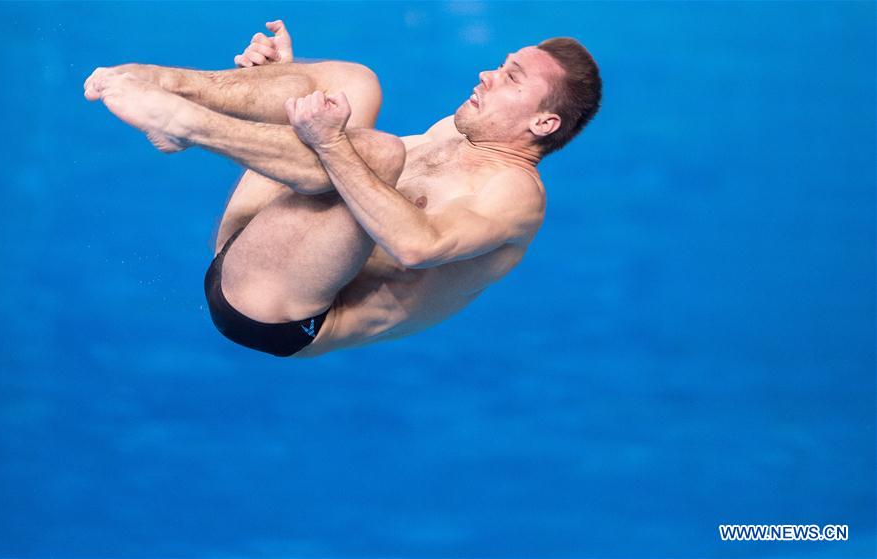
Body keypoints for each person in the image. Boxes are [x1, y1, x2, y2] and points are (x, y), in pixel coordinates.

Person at [83, 20, 602, 358]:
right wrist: (282, 79)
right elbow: (331, 149)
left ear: (543, 124)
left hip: (279, 312)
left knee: (375, 154)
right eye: (501, 64)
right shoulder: (460, 130)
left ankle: (188, 124)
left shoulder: (515, 195)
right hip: (249, 247)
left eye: (511, 78)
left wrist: (330, 144)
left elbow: (418, 246)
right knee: (353, 84)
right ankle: (169, 86)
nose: (487, 74)